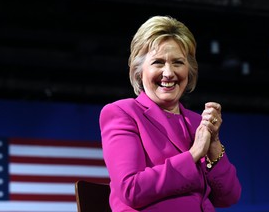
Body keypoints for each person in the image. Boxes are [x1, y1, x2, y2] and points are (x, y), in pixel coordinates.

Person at [99, 15, 241, 212]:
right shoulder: (123, 113)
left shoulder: (197, 122)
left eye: (178, 62)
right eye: (158, 62)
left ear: (189, 69)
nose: (169, 73)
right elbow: (131, 189)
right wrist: (193, 155)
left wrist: (214, 144)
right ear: (140, 70)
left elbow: (229, 196)